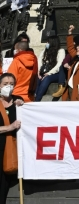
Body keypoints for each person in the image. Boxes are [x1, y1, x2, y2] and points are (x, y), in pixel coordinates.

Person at [0, 73, 23, 204]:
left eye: (11, 84)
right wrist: (9, 127)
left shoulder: (17, 101)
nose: (8, 86)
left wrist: (22, 106)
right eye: (5, 84)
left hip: (12, 150)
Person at [35, 36, 65, 101]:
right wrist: (38, 72)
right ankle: (34, 96)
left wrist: (49, 73)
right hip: (43, 72)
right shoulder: (44, 51)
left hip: (55, 74)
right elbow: (39, 61)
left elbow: (59, 64)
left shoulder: (60, 51)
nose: (46, 43)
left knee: (47, 78)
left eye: (48, 42)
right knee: (37, 79)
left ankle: (37, 100)